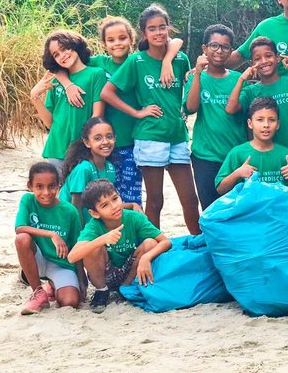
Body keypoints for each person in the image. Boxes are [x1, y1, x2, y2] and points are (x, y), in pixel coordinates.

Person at [55, 16, 184, 206]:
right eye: (111, 40)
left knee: (130, 196)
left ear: (132, 39)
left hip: (132, 141)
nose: (117, 44)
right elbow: (61, 65)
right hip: (105, 143)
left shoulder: (139, 60)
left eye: (122, 38)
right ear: (104, 43)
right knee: (103, 197)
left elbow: (175, 41)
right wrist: (67, 85)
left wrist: (167, 59)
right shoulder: (99, 63)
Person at [100, 4, 200, 234]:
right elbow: (107, 92)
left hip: (177, 134)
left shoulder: (180, 58)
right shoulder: (136, 61)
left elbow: (185, 84)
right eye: (152, 29)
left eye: (162, 27)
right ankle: (153, 248)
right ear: (144, 34)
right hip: (150, 136)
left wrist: (168, 63)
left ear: (168, 28)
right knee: (155, 200)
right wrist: (137, 113)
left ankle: (198, 244)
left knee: (190, 199)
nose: (158, 33)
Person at [68, 179, 171, 314]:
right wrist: (102, 239)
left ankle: (126, 288)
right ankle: (102, 291)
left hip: (131, 270)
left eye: (115, 199)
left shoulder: (134, 218)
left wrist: (146, 257)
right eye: (105, 205)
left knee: (150, 243)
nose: (114, 206)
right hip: (106, 273)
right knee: (91, 248)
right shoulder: (94, 226)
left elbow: (166, 241)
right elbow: (72, 257)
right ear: (94, 213)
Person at [184, 24, 248, 210]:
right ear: (204, 49)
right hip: (205, 156)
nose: (219, 51)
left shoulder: (238, 79)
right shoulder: (196, 78)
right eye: (214, 46)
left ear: (231, 51)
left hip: (235, 155)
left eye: (225, 47)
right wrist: (197, 73)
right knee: (211, 210)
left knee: (237, 210)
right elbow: (191, 107)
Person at [226, 36, 288, 156]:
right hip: (266, 160)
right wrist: (241, 79)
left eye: (268, 56)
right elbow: (230, 109)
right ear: (252, 63)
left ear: (277, 57)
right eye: (257, 59)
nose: (263, 61)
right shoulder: (250, 91)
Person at [29, 30, 105, 170]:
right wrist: (35, 96)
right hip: (57, 148)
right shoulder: (55, 80)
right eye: (56, 55)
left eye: (64, 48)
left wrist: (87, 143)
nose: (62, 56)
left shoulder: (96, 74)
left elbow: (97, 116)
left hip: (84, 149)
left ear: (75, 45)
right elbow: (49, 123)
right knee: (59, 191)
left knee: (83, 190)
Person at [14, 162, 82, 315]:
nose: (46, 192)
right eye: (39, 187)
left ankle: (52, 286)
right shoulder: (27, 200)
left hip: (61, 264)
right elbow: (19, 228)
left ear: (59, 186)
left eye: (51, 186)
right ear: (30, 186)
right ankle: (38, 292)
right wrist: (52, 234)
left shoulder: (70, 211)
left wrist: (82, 281)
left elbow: (78, 247)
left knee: (70, 302)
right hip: (37, 258)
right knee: (22, 239)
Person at [216, 96, 288, 195]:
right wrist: (237, 173)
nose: (266, 125)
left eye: (271, 120)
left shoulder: (286, 155)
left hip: (279, 209)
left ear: (278, 124)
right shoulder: (237, 153)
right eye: (260, 120)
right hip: (249, 209)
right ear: (250, 123)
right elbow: (220, 189)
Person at [59, 117, 142, 225]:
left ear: (115, 138)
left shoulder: (110, 167)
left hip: (93, 219)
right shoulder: (83, 169)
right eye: (98, 138)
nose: (105, 142)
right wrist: (81, 235)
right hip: (71, 223)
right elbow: (76, 206)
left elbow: (105, 202)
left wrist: (132, 205)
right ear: (87, 142)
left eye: (109, 137)